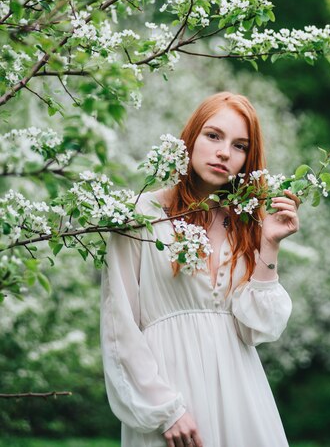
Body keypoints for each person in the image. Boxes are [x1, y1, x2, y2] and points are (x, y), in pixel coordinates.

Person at [100, 91, 300, 447]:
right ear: (190, 137)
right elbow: (119, 322)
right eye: (213, 136)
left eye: (239, 146)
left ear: (247, 159)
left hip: (241, 395)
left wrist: (269, 244)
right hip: (170, 396)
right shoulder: (139, 214)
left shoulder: (246, 226)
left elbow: (256, 329)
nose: (224, 152)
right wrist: (165, 409)